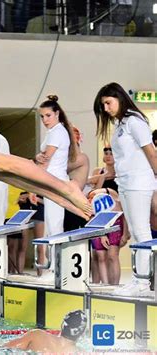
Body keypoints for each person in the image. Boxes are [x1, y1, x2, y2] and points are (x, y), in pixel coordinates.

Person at [94, 82, 157, 296]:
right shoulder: (121, 124)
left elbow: (152, 153)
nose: (106, 108)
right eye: (103, 105)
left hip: (140, 182)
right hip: (126, 183)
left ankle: (143, 281)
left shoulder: (135, 122)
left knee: (142, 231)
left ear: (120, 98)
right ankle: (139, 279)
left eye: (108, 103)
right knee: (136, 233)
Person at [36, 95, 77, 277]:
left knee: (55, 226)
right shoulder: (52, 132)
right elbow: (42, 157)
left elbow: (45, 160)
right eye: (42, 116)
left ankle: (56, 269)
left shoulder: (58, 132)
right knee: (51, 226)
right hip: (50, 180)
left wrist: (33, 183)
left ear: (57, 114)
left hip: (55, 181)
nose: (45, 120)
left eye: (48, 116)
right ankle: (53, 267)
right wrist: (38, 157)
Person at [88, 188, 129, 285]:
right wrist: (102, 234)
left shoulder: (113, 193)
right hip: (97, 224)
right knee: (100, 256)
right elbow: (91, 216)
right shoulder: (90, 196)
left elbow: (124, 213)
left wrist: (126, 233)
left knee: (112, 256)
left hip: (115, 222)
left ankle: (114, 285)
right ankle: (105, 285)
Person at [4, 310, 87, 352]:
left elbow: (4, 348)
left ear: (62, 325)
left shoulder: (36, 335)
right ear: (82, 334)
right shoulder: (81, 353)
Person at [64, 125, 90, 232]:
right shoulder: (69, 158)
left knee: (75, 235)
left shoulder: (82, 157)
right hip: (69, 200)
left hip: (76, 201)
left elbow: (59, 169)